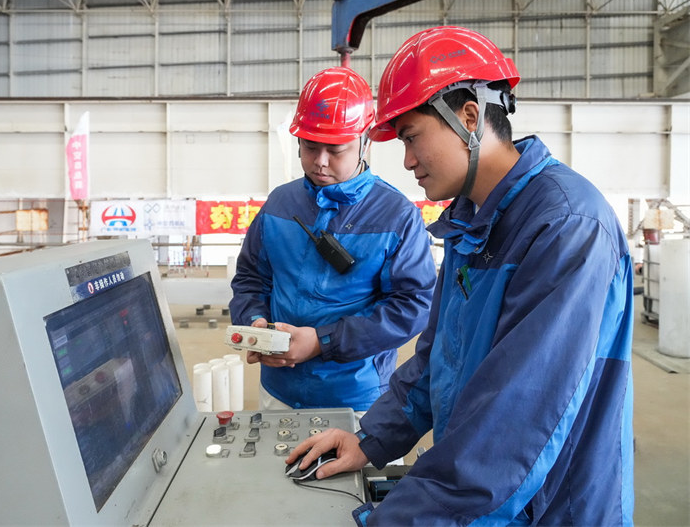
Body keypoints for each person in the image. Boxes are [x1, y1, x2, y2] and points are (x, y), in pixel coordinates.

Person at [286, 26, 635, 526]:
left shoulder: (563, 225)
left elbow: (513, 429)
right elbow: (436, 363)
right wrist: (369, 439)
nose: (406, 161)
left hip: (549, 507)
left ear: (469, 116)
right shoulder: (474, 221)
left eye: (411, 137)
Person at [229, 66, 437, 412]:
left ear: (365, 141)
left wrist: (322, 342)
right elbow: (251, 278)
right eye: (310, 147)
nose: (320, 162)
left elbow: (412, 305)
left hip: (356, 400)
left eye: (335, 150)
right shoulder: (280, 205)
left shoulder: (396, 216)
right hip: (278, 391)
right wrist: (255, 323)